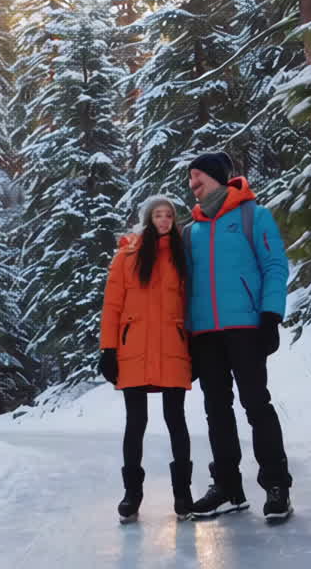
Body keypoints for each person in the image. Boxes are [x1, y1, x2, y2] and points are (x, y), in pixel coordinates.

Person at [182, 151, 294, 524]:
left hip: (246, 327)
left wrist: (270, 315)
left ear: (216, 177)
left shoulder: (252, 216)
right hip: (206, 335)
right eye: (190, 179)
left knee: (256, 404)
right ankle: (228, 487)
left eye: (197, 177)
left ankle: (277, 486)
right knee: (216, 410)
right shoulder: (191, 230)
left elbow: (275, 265)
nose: (192, 184)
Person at [98, 195, 194, 523]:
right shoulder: (127, 255)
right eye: (158, 214)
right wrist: (108, 350)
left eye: (169, 215)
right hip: (133, 351)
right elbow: (112, 306)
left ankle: (183, 494)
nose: (164, 220)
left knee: (176, 421)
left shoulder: (184, 254)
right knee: (135, 423)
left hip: (173, 349)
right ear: (148, 218)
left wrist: (194, 347)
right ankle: (132, 495)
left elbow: (191, 305)